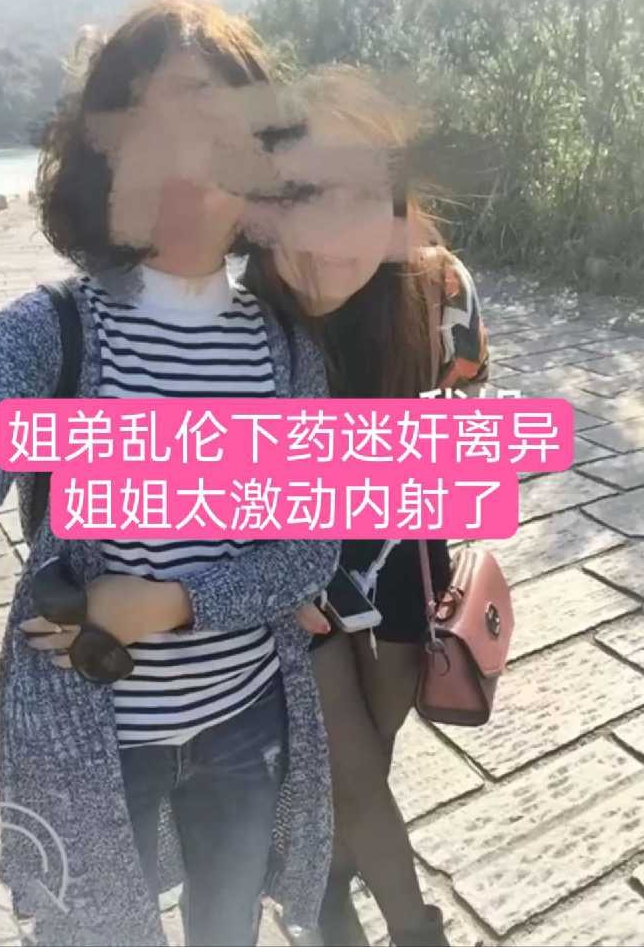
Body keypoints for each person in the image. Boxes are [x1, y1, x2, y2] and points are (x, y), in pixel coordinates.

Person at [0, 0, 339, 945]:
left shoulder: (286, 352)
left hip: (246, 718)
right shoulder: (52, 330)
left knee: (228, 926)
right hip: (93, 736)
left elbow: (307, 549)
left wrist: (170, 602)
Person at [240, 67, 489, 947]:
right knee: (347, 755)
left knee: (366, 756)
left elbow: (466, 416)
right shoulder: (249, 307)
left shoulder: (438, 284)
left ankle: (322, 883)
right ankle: (409, 926)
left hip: (399, 556)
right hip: (297, 567)